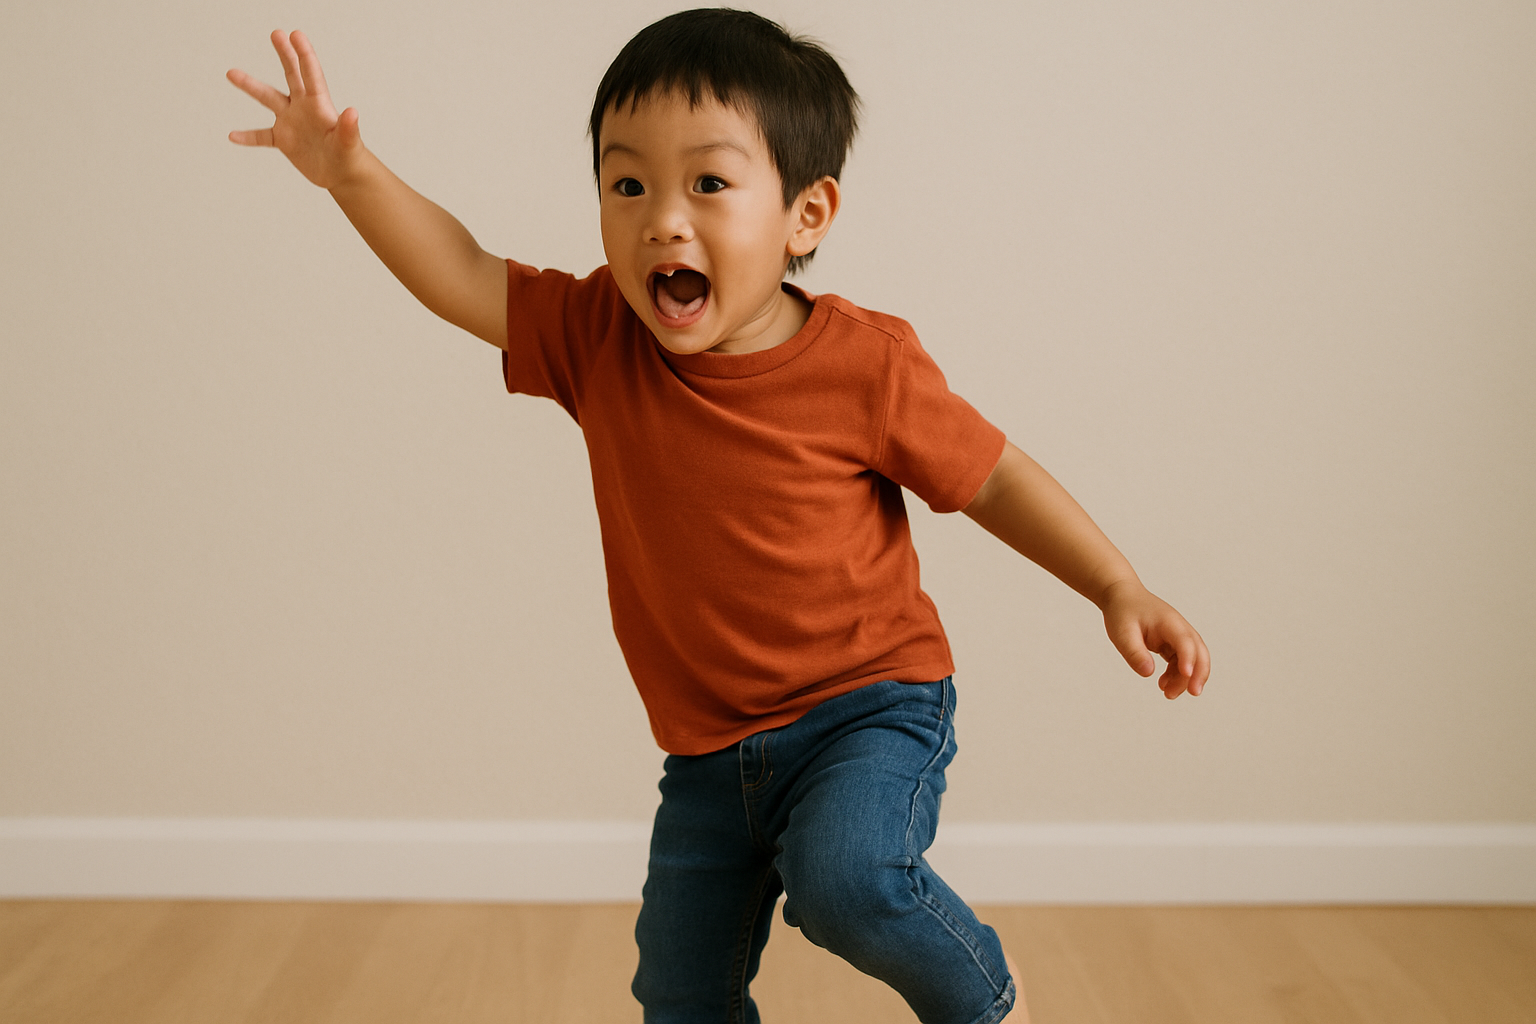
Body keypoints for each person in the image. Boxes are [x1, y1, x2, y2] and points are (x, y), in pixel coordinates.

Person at [227, 10, 1209, 1023]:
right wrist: (351, 176)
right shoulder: (597, 337)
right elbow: (466, 273)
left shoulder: (864, 367)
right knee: (679, 995)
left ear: (806, 216)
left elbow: (995, 477)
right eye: (627, 184)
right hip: (707, 754)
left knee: (848, 878)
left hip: (867, 710)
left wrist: (1115, 583)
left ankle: (985, 1002)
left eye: (707, 183)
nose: (662, 218)